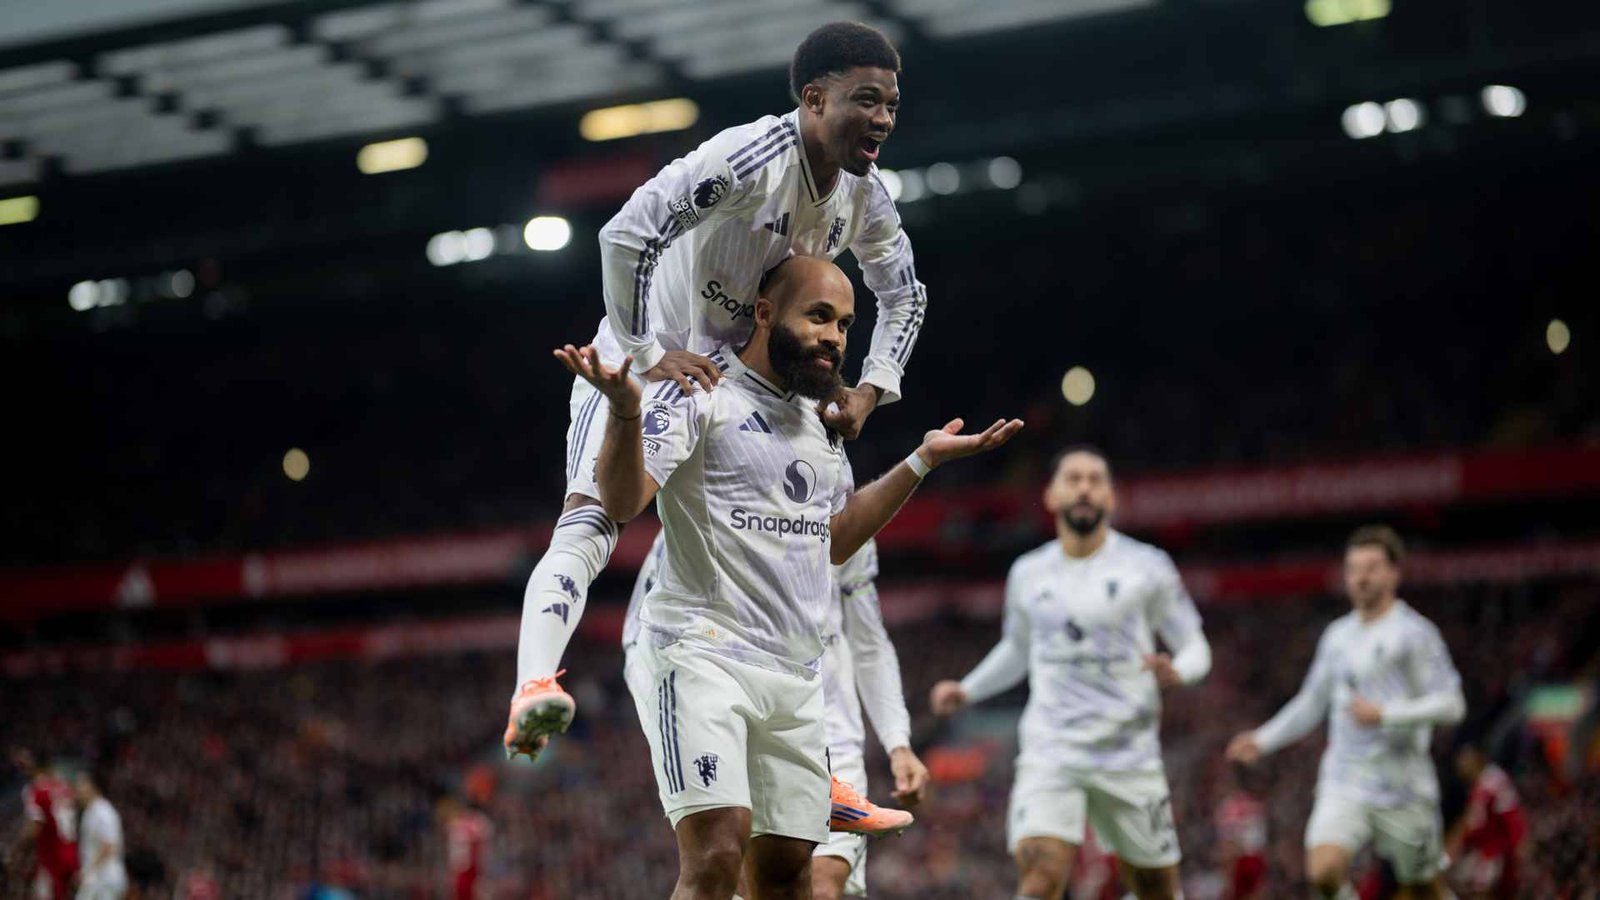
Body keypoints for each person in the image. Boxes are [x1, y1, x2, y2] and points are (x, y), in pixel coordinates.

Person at [507, 20, 928, 761]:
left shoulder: (865, 195)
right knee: (597, 517)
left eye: (892, 105)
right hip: (666, 364)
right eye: (868, 101)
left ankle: (813, 756)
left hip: (751, 377)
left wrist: (873, 388)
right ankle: (535, 683)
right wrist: (645, 350)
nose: (884, 120)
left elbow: (905, 295)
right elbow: (624, 236)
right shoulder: (746, 159)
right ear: (815, 98)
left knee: (794, 538)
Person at [559, 255, 1020, 899]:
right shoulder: (701, 393)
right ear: (766, 313)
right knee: (717, 851)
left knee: (785, 875)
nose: (834, 335)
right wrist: (627, 412)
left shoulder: (822, 425)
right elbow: (621, 499)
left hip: (796, 680)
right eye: (819, 316)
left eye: (846, 325)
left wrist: (920, 462)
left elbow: (835, 540)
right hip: (701, 656)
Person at [929, 446, 1212, 900]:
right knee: (1039, 878)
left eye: (1095, 479)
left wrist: (1180, 670)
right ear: (1050, 495)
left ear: (1111, 498)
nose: (1084, 487)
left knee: (1157, 889)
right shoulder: (1028, 572)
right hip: (1051, 751)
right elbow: (1017, 649)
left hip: (1129, 754)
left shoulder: (1148, 565)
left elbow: (1196, 646)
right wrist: (968, 689)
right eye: (1073, 478)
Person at [1226, 525, 1466, 900]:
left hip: (1404, 784)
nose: (1362, 577)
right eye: (1354, 569)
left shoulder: (1416, 634)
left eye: (1372, 567)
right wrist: (1263, 739)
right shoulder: (1337, 636)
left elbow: (1453, 704)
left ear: (1393, 572)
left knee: (1423, 889)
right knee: (1322, 872)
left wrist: (1386, 713)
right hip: (1346, 779)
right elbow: (1311, 701)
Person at [1447, 741, 1526, 899]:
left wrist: (1518, 847)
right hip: (1484, 852)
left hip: (1494, 853)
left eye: (1464, 757)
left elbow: (1511, 818)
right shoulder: (1482, 782)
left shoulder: (1492, 783)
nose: (1460, 763)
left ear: (1477, 757)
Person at [11, 749, 78, 900]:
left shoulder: (35, 790)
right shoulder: (64, 786)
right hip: (72, 853)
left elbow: (34, 825)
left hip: (52, 856)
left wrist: (17, 849)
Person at [73, 770, 126, 900]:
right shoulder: (90, 811)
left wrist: (88, 870)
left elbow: (109, 846)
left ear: (93, 786)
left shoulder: (104, 811)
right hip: (97, 879)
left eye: (81, 784)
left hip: (104, 879)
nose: (77, 789)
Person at [436, 795, 493, 900]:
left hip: (460, 865)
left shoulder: (457, 822)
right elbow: (484, 839)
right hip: (470, 865)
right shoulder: (480, 821)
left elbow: (445, 832)